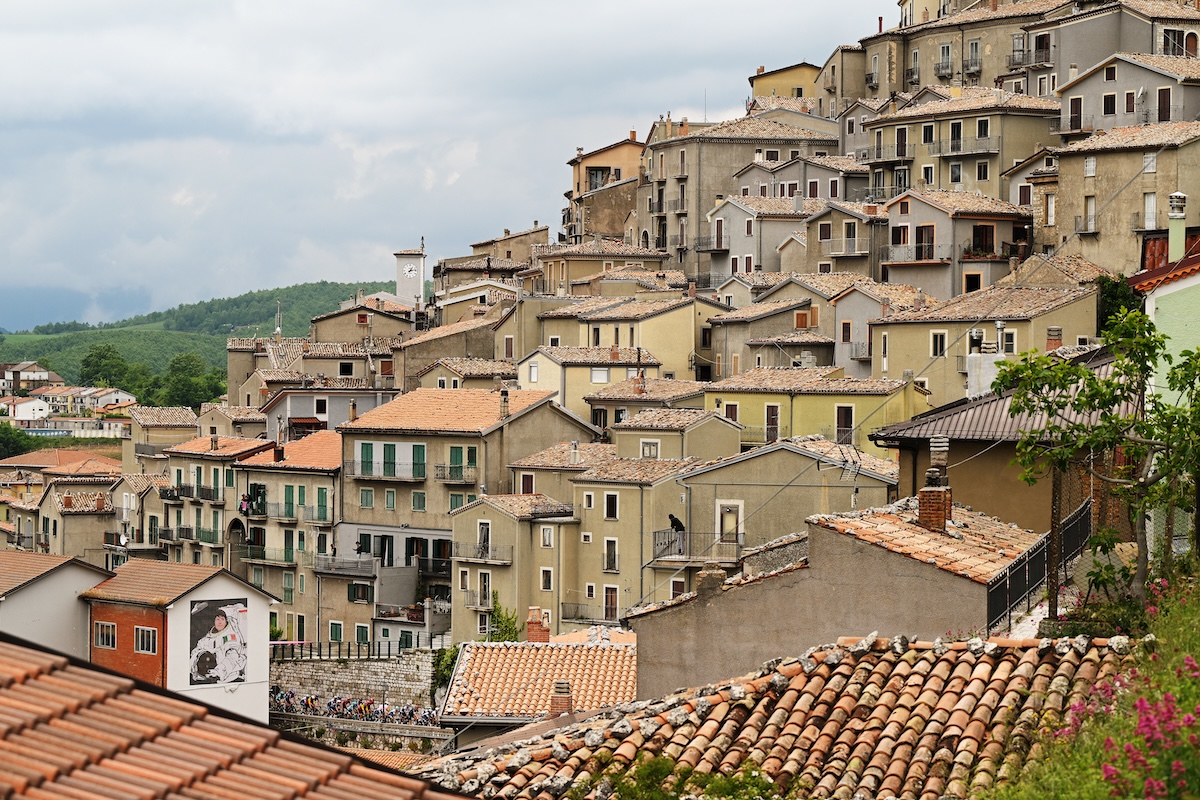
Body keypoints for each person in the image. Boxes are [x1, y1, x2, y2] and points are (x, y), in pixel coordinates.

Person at [189, 607, 247, 684]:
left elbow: (232, 657)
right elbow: (195, 652)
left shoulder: (230, 637)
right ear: (214, 622)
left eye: (222, 619)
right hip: (206, 677)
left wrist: (218, 671)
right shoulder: (207, 638)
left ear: (226, 621)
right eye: (217, 619)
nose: (220, 622)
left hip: (228, 678)